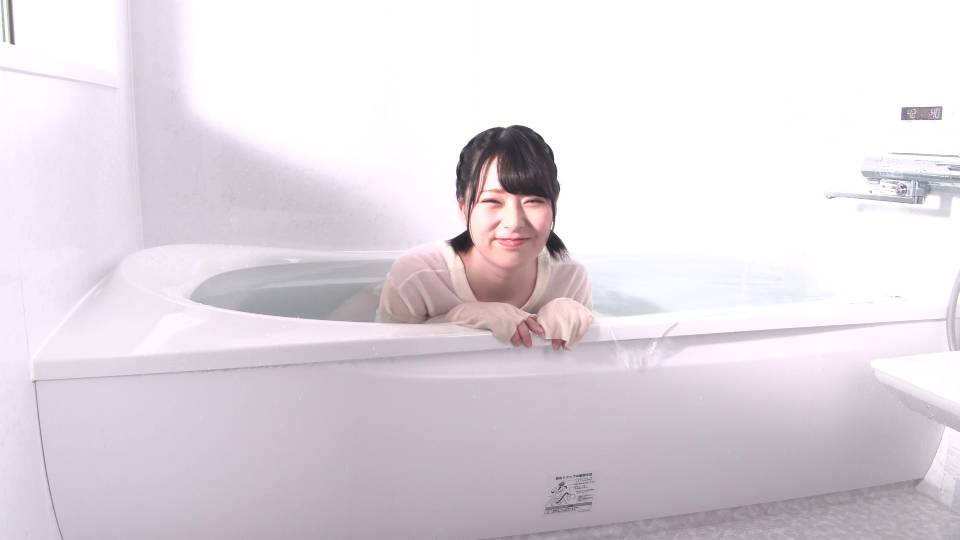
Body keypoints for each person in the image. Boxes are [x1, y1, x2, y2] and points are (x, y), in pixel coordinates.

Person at [377, 125, 593, 350]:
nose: (514, 222)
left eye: (533, 201)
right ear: (463, 207)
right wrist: (456, 318)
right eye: (492, 201)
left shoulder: (569, 279)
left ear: (554, 204)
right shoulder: (417, 277)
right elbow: (385, 356)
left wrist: (581, 319)